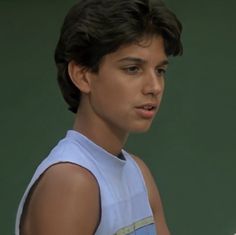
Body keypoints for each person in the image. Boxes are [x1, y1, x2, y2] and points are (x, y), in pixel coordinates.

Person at [15, 0, 183, 234]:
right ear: (82, 76)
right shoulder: (70, 183)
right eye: (132, 68)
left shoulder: (139, 173)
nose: (154, 86)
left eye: (160, 70)